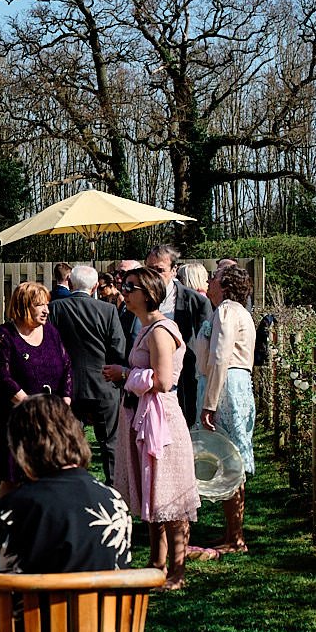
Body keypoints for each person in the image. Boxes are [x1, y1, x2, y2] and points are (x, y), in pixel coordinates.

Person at [104, 266, 199, 591]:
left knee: (170, 495)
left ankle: (177, 571)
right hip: (144, 417)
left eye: (130, 287)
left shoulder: (161, 331)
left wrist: (124, 375)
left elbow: (163, 381)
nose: (124, 291)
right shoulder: (146, 328)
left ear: (147, 294)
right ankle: (157, 565)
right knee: (153, 492)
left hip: (162, 423)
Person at [0, 395, 133, 575]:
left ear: (23, 447)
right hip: (102, 594)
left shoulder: (14, 509)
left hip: (33, 594)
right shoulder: (114, 501)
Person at [0, 282, 73, 495]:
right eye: (39, 305)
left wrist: (65, 400)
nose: (46, 310)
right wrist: (31, 405)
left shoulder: (51, 332)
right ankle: (5, 515)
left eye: (47, 305)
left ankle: (40, 514)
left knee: (49, 474)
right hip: (16, 418)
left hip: (51, 416)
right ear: (23, 306)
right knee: (14, 479)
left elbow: (67, 366)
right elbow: (2, 377)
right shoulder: (4, 335)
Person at [195, 263, 257, 556]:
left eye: (215, 277)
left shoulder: (227, 312)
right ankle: (233, 532)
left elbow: (220, 357)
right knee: (230, 456)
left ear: (226, 285)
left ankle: (236, 537)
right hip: (231, 383)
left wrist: (209, 403)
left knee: (229, 458)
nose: (210, 280)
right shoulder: (230, 311)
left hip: (225, 386)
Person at [48, 264, 127, 480]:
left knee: (69, 442)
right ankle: (114, 487)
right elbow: (118, 348)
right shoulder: (108, 310)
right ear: (94, 287)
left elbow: (49, 348)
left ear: (70, 283)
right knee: (110, 442)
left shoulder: (55, 309)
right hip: (104, 383)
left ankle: (71, 484)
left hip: (67, 387)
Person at [142, 244, 213, 426]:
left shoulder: (195, 302)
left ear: (174, 270)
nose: (153, 276)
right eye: (150, 270)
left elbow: (205, 344)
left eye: (160, 270)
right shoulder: (136, 298)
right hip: (145, 380)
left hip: (182, 379)